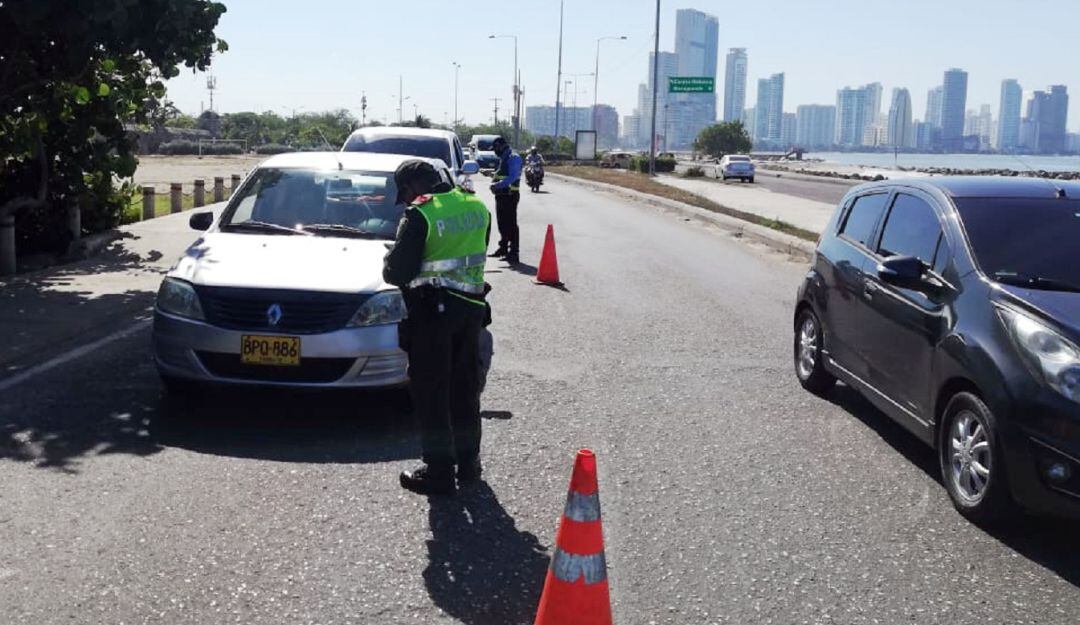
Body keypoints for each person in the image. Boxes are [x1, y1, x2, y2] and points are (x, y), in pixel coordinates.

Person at [383, 159, 492, 495]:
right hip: (472, 311)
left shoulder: (421, 214)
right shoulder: (475, 205)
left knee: (432, 393)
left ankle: (439, 472)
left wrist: (390, 258)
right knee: (464, 389)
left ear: (412, 187)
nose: (405, 200)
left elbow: (397, 273)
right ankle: (469, 464)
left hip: (432, 315)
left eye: (404, 193)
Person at [488, 136, 522, 264]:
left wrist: (496, 185)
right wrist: (491, 175)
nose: (494, 151)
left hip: (510, 195)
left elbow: (512, 177)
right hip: (501, 195)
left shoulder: (513, 157)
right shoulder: (504, 158)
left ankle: (514, 252)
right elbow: (502, 174)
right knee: (502, 223)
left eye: (495, 148)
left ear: (501, 146)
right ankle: (503, 248)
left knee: (511, 224)